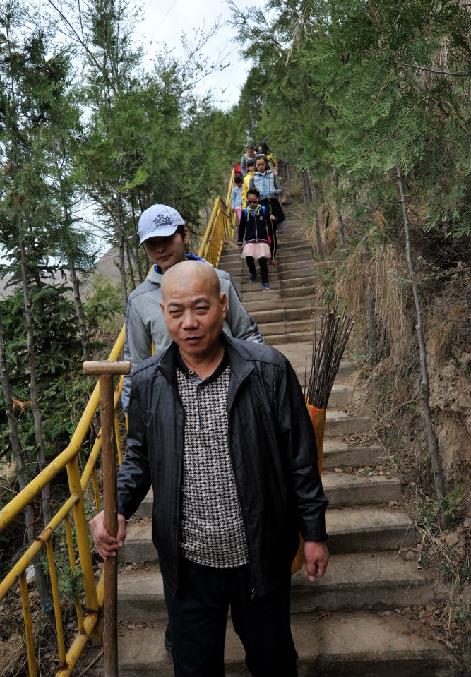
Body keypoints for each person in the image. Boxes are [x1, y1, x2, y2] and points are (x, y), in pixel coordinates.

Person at [90, 261, 329, 677]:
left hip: (261, 555)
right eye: (177, 311)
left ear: (222, 306)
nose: (189, 323)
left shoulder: (268, 371)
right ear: (163, 314)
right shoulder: (148, 380)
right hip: (188, 564)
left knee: (273, 662)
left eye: (200, 308)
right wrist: (118, 506)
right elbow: (139, 456)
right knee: (195, 668)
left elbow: (300, 461)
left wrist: (313, 533)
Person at [121, 203, 262, 412]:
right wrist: (134, 411)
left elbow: (246, 333)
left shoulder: (219, 281)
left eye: (167, 239)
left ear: (184, 235)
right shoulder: (140, 299)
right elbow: (136, 363)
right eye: (151, 243)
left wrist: (261, 380)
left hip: (232, 393)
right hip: (174, 402)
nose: (160, 248)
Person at [250, 154, 285, 265]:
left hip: (272, 204)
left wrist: (272, 191)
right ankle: (264, 254)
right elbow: (251, 195)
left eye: (262, 164)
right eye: (258, 165)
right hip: (260, 205)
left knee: (272, 230)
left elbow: (280, 190)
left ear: (266, 164)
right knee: (262, 232)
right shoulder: (253, 178)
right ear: (256, 166)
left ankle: (272, 256)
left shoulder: (273, 175)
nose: (260, 166)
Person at [238, 188, 273, 291]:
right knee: (249, 258)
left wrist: (272, 218)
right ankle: (253, 273)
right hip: (250, 239)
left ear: (258, 200)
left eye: (254, 201)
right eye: (250, 201)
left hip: (262, 239)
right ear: (247, 201)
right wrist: (240, 241)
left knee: (262, 261)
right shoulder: (245, 212)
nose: (252, 203)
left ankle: (265, 282)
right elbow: (241, 227)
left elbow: (270, 222)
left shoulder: (263, 210)